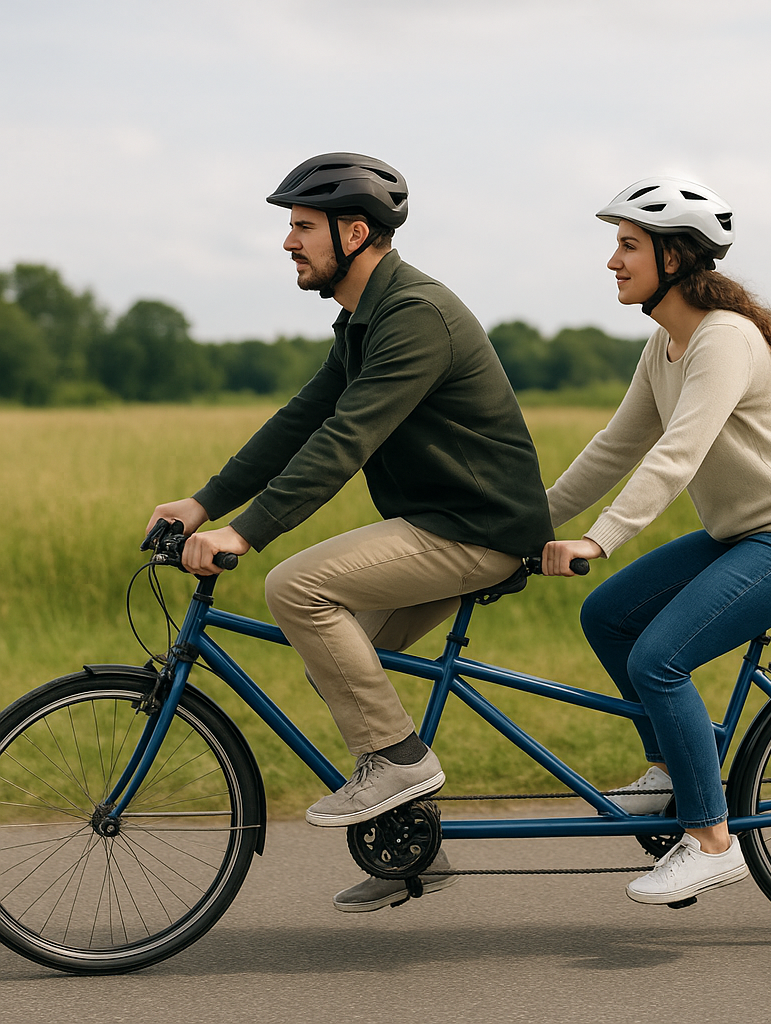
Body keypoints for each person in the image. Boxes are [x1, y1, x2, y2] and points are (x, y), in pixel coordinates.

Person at [146, 152, 553, 910]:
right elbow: (299, 422)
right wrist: (204, 504)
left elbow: (346, 438)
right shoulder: (365, 319)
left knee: (295, 588)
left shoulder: (414, 317)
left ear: (354, 231)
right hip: (440, 523)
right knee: (335, 658)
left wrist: (249, 534)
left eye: (301, 226)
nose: (288, 242)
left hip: (477, 530)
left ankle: (399, 762)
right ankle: (413, 848)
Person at [541, 177, 771, 906]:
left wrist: (601, 539)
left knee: (659, 659)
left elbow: (676, 454)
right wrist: (532, 523)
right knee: (608, 616)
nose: (612, 261)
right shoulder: (667, 344)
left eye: (628, 246)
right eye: (615, 245)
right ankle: (680, 767)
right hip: (741, 536)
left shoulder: (724, 340)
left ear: (674, 258)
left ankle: (711, 839)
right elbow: (616, 446)